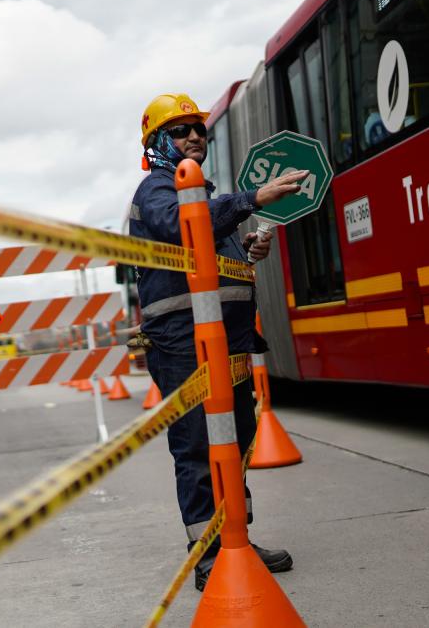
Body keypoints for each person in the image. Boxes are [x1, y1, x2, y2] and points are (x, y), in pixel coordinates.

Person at [129, 93, 305, 591]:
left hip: (227, 341)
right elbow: (183, 227)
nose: (193, 137)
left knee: (237, 439)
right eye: (180, 131)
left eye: (198, 130)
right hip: (182, 345)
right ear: (158, 143)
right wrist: (250, 200)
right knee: (198, 447)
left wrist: (249, 251)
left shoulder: (203, 195)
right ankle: (206, 553)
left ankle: (237, 541)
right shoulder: (156, 192)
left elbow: (215, 267)